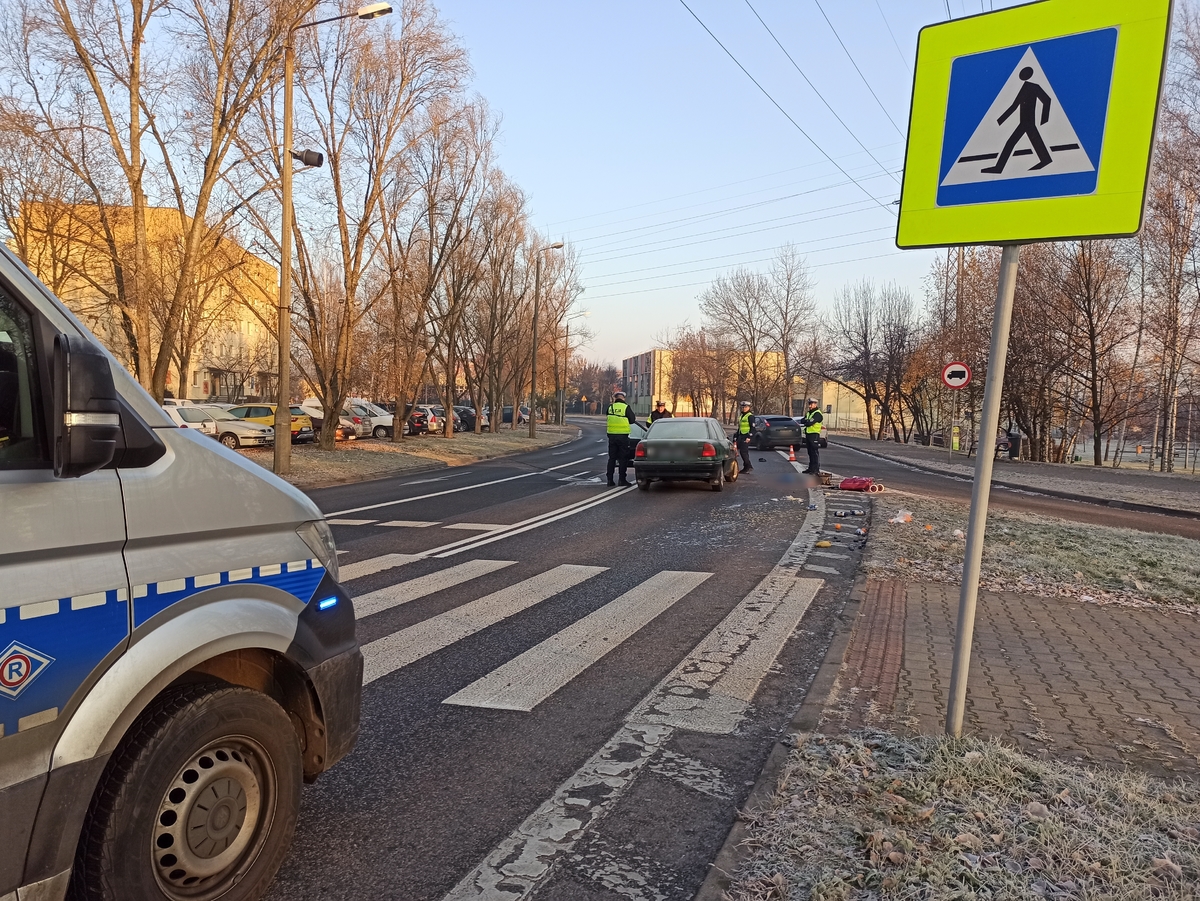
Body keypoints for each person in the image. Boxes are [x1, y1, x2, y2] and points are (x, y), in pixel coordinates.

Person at [606, 389, 637, 487]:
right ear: (623, 398)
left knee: (612, 459)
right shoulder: (626, 407)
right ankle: (622, 480)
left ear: (615, 398)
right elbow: (632, 420)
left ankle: (610, 480)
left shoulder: (610, 407)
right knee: (623, 458)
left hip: (611, 436)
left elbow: (608, 416)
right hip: (623, 436)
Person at [801, 398, 823, 474]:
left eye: (811, 404)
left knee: (814, 452)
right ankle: (811, 468)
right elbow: (803, 420)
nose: (810, 406)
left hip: (814, 434)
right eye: (809, 404)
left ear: (815, 404)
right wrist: (807, 421)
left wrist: (807, 421)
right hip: (808, 434)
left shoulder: (817, 413)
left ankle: (816, 469)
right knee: (810, 452)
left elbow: (809, 422)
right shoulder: (809, 413)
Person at [734, 400, 754, 473]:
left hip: (747, 435)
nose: (744, 408)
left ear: (749, 407)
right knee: (743, 451)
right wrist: (736, 435)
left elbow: (753, 428)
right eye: (742, 407)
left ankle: (747, 467)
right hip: (741, 435)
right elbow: (740, 427)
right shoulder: (742, 415)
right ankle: (748, 466)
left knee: (743, 452)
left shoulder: (750, 416)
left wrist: (749, 437)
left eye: (745, 407)